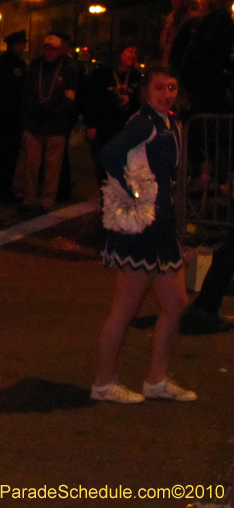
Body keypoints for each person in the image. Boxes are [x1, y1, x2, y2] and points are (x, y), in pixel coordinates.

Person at [91, 64, 196, 403]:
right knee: (125, 308)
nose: (167, 94)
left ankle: (156, 378)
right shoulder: (144, 123)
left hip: (162, 225)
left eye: (172, 88)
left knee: (177, 303)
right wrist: (132, 192)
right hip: (142, 227)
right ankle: (104, 384)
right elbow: (108, 153)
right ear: (146, 91)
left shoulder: (170, 123)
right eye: (160, 88)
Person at [20, 34, 78, 213]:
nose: (49, 51)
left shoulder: (68, 69)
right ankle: (30, 198)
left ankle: (46, 201)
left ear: (59, 50)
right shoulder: (35, 66)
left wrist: (55, 111)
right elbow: (26, 91)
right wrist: (35, 108)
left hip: (56, 124)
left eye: (52, 48)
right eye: (46, 47)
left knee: (52, 166)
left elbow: (71, 96)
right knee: (31, 164)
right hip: (34, 122)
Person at [83, 39, 142, 188]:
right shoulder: (102, 74)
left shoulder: (136, 77)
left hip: (127, 130)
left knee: (125, 170)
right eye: (129, 51)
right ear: (119, 54)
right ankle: (106, 205)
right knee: (104, 170)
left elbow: (142, 102)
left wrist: (131, 99)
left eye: (135, 52)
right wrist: (91, 125)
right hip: (105, 130)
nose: (133, 55)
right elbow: (91, 100)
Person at [0, 30, 26, 202]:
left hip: (8, 115)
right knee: (7, 154)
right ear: (14, 45)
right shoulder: (9, 63)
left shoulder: (6, 62)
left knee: (5, 154)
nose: (23, 47)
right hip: (10, 115)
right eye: (21, 44)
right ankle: (1, 190)